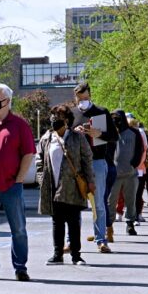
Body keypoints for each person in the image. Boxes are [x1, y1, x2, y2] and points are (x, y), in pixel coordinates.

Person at [0, 83, 35, 282]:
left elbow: (28, 153)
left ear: (8, 101)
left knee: (18, 228)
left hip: (12, 186)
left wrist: (19, 179)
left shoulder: (19, 125)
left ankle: (20, 267)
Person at [38, 104, 95, 265]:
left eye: (58, 117)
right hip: (53, 186)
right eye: (53, 117)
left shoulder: (78, 138)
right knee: (57, 221)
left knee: (74, 221)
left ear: (67, 121)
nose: (54, 120)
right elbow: (39, 159)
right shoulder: (47, 138)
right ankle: (58, 254)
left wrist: (90, 181)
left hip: (73, 186)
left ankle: (76, 255)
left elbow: (87, 160)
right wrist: (42, 178)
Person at [72, 82, 118, 253]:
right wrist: (74, 131)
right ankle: (72, 241)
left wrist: (99, 134)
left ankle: (101, 240)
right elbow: (64, 135)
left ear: (90, 95)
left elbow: (114, 136)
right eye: (79, 98)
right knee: (74, 204)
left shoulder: (101, 112)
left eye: (85, 97)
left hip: (97, 160)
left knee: (98, 203)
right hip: (77, 163)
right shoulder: (73, 112)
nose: (82, 101)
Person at [106, 110, 144, 237]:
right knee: (111, 200)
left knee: (130, 200)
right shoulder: (110, 133)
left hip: (130, 173)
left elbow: (140, 149)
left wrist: (134, 164)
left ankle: (130, 224)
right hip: (113, 174)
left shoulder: (134, 133)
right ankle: (109, 225)